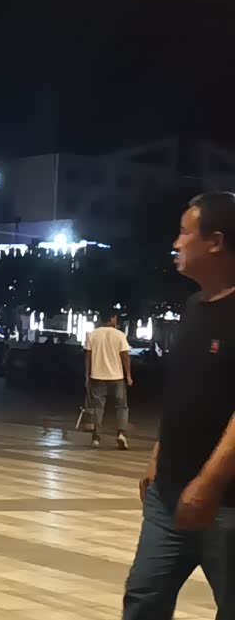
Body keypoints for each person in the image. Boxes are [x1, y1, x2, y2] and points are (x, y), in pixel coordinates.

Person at [124, 192, 235, 619]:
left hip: (226, 501)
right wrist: (158, 455)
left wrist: (208, 484)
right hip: (168, 494)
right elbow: (187, 393)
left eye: (185, 232)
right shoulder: (194, 306)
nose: (176, 242)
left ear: (216, 242)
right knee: (144, 598)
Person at [85, 310, 133, 449]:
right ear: (112, 318)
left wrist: (87, 375)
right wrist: (128, 375)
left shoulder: (92, 334)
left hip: (97, 376)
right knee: (122, 406)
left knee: (98, 407)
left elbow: (88, 356)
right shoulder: (120, 335)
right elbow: (125, 356)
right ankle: (121, 434)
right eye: (116, 318)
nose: (116, 320)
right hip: (116, 377)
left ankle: (96, 437)